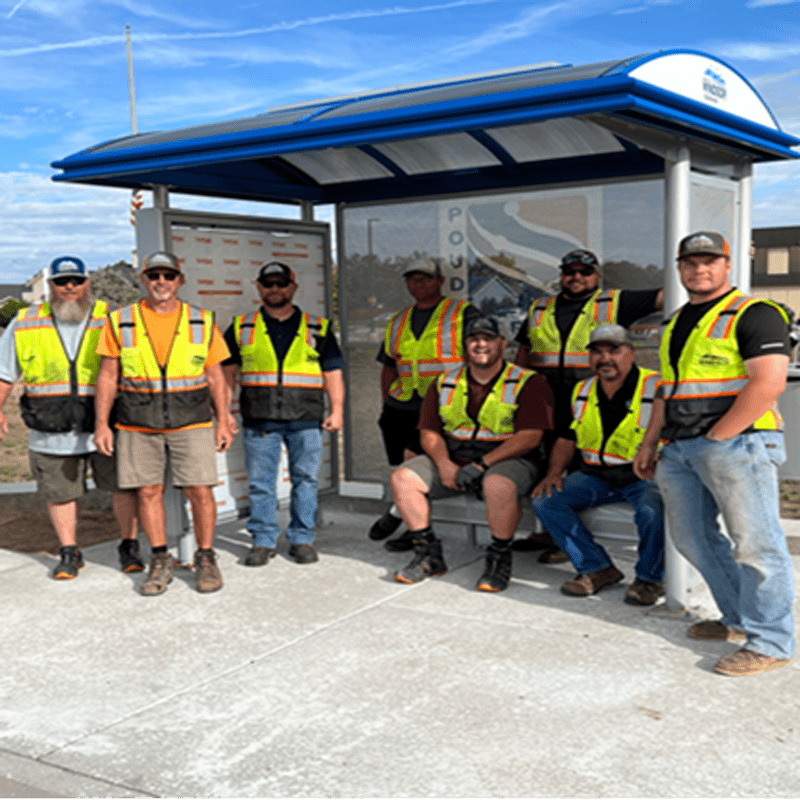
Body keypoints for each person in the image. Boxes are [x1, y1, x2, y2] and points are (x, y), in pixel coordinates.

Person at [634, 231, 795, 677]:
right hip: (680, 447)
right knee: (693, 539)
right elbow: (667, 391)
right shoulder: (675, 323)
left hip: (737, 443)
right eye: (691, 262)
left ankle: (773, 641)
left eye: (709, 261)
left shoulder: (755, 314)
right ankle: (739, 620)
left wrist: (719, 436)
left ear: (727, 265)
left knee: (757, 545)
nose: (699, 269)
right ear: (680, 267)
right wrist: (650, 443)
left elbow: (768, 382)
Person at [94, 251, 235, 596]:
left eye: (168, 276)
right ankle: (160, 560)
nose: (161, 282)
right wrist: (102, 424)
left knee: (200, 491)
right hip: (137, 422)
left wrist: (224, 419)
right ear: (143, 280)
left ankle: (205, 557)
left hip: (192, 421)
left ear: (179, 280)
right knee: (148, 492)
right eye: (154, 276)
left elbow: (216, 377)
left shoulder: (201, 320)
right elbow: (108, 376)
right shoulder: (120, 320)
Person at [513, 248, 664, 560]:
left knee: (580, 466)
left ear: (597, 276)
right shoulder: (540, 307)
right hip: (545, 398)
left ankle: (566, 543)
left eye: (585, 272)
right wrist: (516, 388)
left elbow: (668, 296)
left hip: (593, 394)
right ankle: (549, 534)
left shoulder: (612, 302)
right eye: (570, 272)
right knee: (547, 468)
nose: (577, 277)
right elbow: (525, 350)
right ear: (561, 276)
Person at [388, 315, 553, 591]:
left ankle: (499, 558)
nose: (480, 344)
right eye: (474, 339)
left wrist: (481, 464)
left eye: (488, 338)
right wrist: (443, 464)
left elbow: (530, 436)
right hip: (455, 459)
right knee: (403, 478)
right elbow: (429, 432)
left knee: (497, 483)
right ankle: (428, 554)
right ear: (465, 346)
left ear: (502, 344)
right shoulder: (444, 382)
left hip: (510, 460)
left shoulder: (529, 382)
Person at [0, 257, 140, 579]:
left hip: (107, 423)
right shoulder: (24, 321)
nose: (70, 288)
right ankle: (69, 551)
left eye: (76, 281)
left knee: (122, 486)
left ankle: (128, 545)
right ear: (50, 287)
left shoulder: (111, 317)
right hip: (51, 426)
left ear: (87, 283)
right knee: (61, 493)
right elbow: (5, 373)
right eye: (62, 282)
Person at [222, 261, 345, 566]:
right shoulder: (241, 327)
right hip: (260, 419)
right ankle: (263, 540)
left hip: (305, 419)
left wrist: (338, 409)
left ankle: (302, 539)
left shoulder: (318, 327)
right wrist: (223, 413)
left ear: (293, 287)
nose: (274, 289)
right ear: (259, 287)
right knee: (260, 483)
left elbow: (333, 372)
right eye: (268, 284)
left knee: (305, 480)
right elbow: (226, 375)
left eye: (280, 284)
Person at [531, 323, 664, 604]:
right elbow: (567, 438)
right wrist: (554, 472)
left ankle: (650, 579)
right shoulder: (582, 389)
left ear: (630, 352)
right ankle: (597, 568)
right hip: (596, 475)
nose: (605, 359)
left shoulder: (657, 386)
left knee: (653, 511)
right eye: (597, 352)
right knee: (546, 500)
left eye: (614, 351)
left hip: (643, 476)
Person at [370, 258, 480, 552]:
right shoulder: (398, 319)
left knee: (424, 465)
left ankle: (403, 521)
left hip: (445, 408)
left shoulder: (462, 314)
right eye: (412, 279)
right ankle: (410, 522)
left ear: (440, 281)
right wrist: (386, 403)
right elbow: (389, 365)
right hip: (401, 407)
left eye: (425, 278)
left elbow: (481, 359)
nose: (418, 284)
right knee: (404, 469)